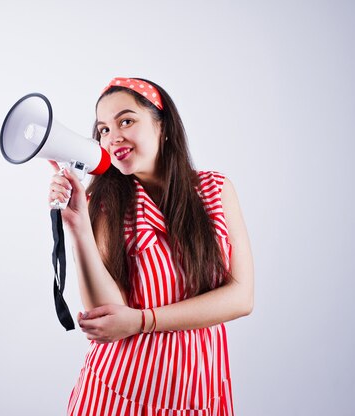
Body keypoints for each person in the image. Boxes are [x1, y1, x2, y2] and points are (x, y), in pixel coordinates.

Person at [48, 77, 254, 415]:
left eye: (126, 121)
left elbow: (241, 297)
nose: (113, 137)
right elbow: (107, 314)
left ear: (164, 127)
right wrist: (78, 226)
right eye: (102, 130)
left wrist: (142, 320)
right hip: (116, 395)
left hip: (200, 394)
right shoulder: (101, 204)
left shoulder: (216, 190)